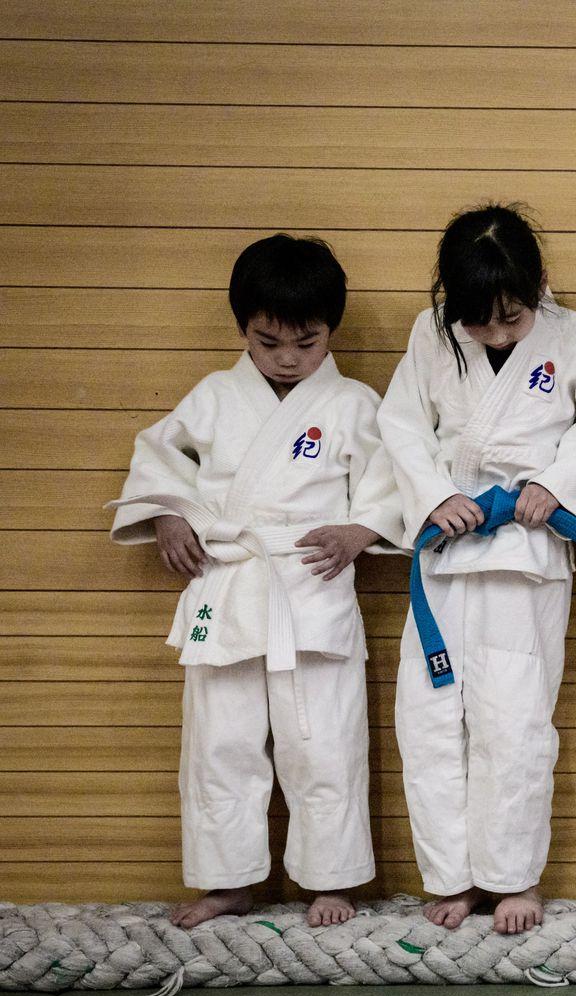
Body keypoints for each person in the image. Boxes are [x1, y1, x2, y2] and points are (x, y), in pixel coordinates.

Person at [110, 234, 402, 928]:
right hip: (231, 580)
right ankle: (227, 880)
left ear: (331, 330)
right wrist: (169, 516)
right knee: (220, 745)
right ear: (243, 327)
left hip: (312, 586)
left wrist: (361, 530)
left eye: (307, 341)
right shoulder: (213, 397)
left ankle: (329, 879)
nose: (288, 358)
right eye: (269, 341)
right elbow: (158, 463)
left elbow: (391, 487)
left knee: (324, 743)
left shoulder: (355, 404)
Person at [379, 204, 576, 933]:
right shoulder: (430, 335)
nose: (496, 333)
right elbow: (400, 425)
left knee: (512, 722)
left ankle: (513, 877)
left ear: (540, 283)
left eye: (511, 320)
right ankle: (450, 875)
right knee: (426, 720)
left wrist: (561, 483)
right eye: (478, 323)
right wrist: (437, 494)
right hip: (446, 553)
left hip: (524, 553)